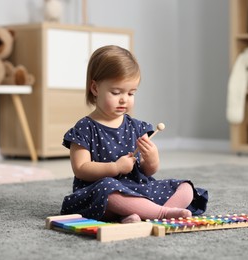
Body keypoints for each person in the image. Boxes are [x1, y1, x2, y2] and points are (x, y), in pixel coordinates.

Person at [60, 45, 208, 223]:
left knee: (186, 188)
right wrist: (115, 168)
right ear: (95, 88)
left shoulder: (138, 127)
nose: (124, 99)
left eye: (131, 93)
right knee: (109, 189)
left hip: (137, 189)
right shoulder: (84, 128)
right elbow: (81, 168)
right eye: (116, 92)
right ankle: (160, 214)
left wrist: (152, 159)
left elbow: (147, 171)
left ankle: (136, 213)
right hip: (100, 193)